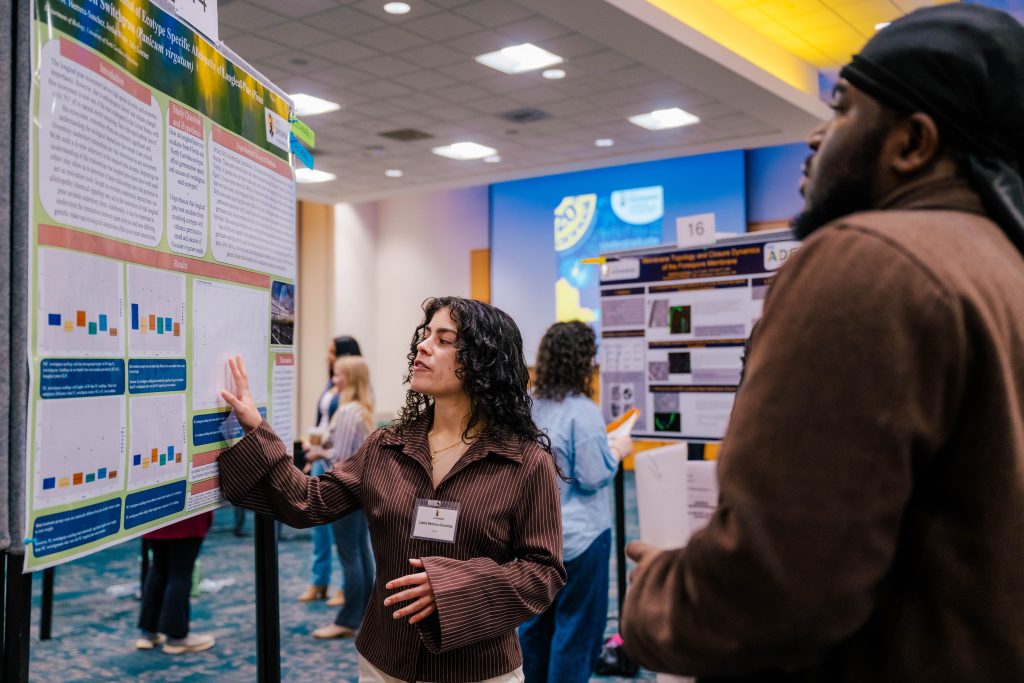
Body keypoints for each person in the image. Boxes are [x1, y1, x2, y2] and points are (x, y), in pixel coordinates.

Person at [621, 5, 1024, 681]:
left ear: (912, 143)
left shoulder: (870, 258)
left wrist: (652, 594)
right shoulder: (1000, 269)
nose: (816, 135)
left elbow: (766, 592)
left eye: (841, 109)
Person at [218, 297, 566, 682]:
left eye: (445, 339)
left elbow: (543, 572)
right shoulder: (386, 446)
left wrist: (453, 590)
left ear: (484, 361)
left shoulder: (525, 461)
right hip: (384, 662)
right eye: (425, 334)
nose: (423, 345)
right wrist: (257, 429)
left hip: (477, 668)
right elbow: (307, 502)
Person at [518, 321, 630, 683]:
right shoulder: (582, 412)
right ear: (584, 361)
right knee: (576, 636)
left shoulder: (530, 407)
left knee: (535, 631)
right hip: (581, 540)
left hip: (535, 539)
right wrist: (616, 449)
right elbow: (594, 475)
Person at [305, 355, 376, 640]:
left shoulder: (348, 412)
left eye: (337, 376)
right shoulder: (361, 409)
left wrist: (318, 453)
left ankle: (348, 620)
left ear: (350, 379)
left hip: (346, 492)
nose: (333, 381)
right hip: (361, 492)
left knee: (350, 554)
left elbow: (342, 458)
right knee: (360, 552)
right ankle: (364, 613)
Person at [297, 335, 363, 605]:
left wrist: (322, 450)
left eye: (332, 351)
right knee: (319, 529)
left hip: (338, 462)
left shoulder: (356, 388)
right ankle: (319, 580)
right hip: (320, 459)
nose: (328, 356)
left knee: (345, 535)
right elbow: (321, 421)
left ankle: (345, 586)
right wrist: (310, 449)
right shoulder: (330, 385)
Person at [135, 511, 216, 654]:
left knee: (158, 568)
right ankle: (177, 638)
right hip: (187, 518)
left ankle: (148, 634)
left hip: (154, 517)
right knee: (180, 573)